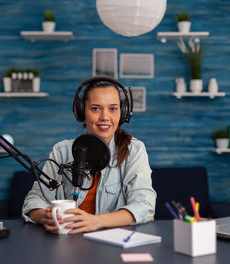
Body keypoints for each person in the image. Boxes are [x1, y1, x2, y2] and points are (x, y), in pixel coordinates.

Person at [22, 76, 156, 234]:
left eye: (113, 108)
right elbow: (34, 199)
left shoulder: (134, 150)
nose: (105, 116)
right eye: (95, 108)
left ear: (123, 112)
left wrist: (97, 221)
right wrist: (44, 217)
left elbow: (144, 205)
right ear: (81, 111)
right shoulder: (61, 151)